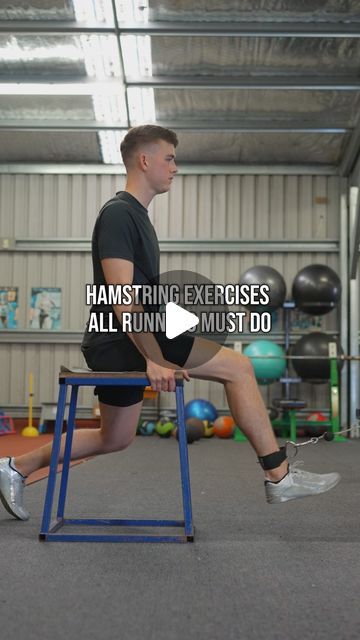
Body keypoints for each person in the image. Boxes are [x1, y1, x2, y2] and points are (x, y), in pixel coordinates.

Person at [0, 125, 340, 521]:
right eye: (169, 157)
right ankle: (279, 476)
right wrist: (155, 358)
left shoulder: (137, 217)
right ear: (145, 160)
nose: (175, 167)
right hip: (121, 340)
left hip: (125, 337)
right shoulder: (119, 215)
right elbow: (120, 296)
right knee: (240, 367)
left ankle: (14, 467)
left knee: (115, 437)